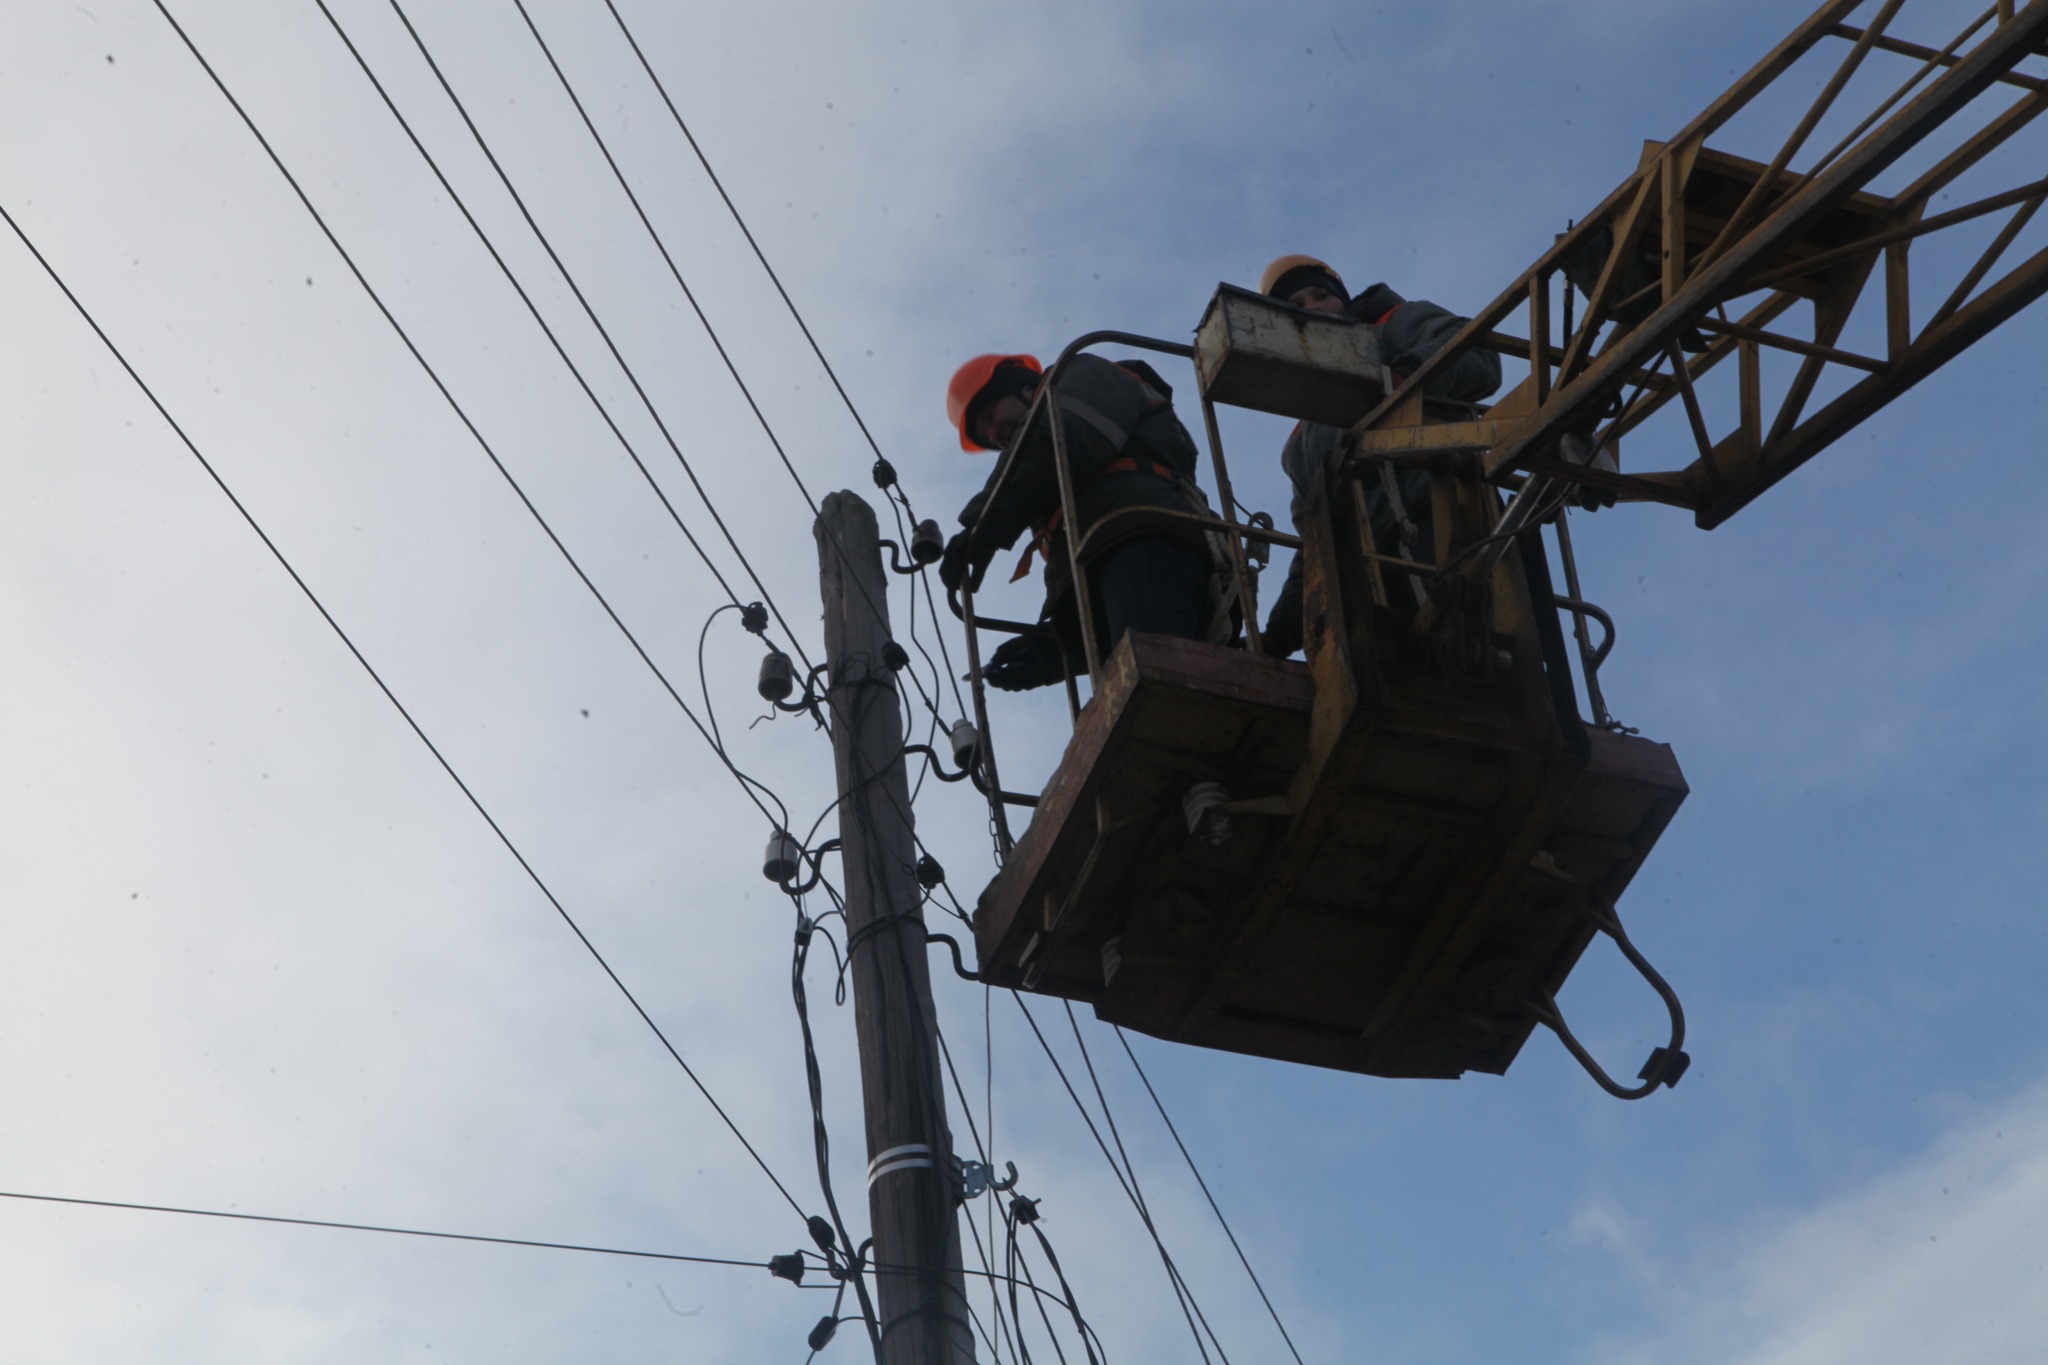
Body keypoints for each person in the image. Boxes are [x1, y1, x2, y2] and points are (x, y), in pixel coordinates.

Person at [1256, 254, 1502, 657]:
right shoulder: (1301, 443)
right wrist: (1281, 633)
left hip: (1450, 529)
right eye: (1296, 307)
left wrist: (1404, 376)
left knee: (1478, 660)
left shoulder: (1393, 326)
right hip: (1370, 578)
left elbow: (1478, 356)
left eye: (1321, 295)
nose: (1314, 309)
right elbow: (1317, 543)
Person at [938, 352, 1229, 691]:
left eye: (989, 415)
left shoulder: (1084, 376)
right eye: (985, 435)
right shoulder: (1062, 501)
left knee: (1158, 685)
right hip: (1121, 554)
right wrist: (1050, 651)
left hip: (1141, 539)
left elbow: (1056, 443)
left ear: (1019, 386)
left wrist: (981, 528)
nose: (993, 435)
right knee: (1136, 688)